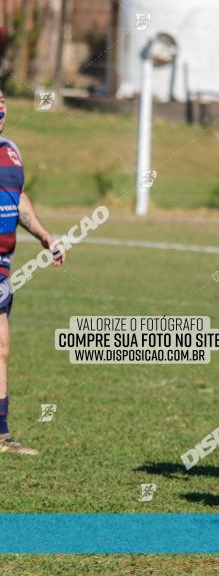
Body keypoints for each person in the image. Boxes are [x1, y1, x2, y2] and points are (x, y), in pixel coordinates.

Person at [0, 89, 66, 455]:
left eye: (3, 102)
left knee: (1, 348)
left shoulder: (11, 151)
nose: (0, 108)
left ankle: (1, 435)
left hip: (2, 267)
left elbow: (17, 197)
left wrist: (44, 235)